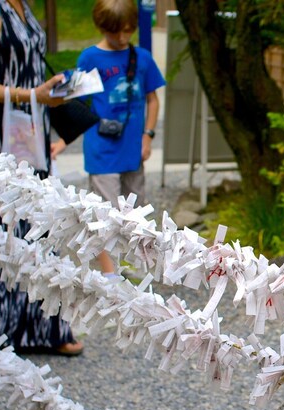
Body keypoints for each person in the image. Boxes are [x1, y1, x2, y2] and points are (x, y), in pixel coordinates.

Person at [0, 0, 83, 356]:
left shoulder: (21, 5)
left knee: (37, 226)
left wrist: (50, 91)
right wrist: (29, 95)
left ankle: (41, 327)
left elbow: (22, 68)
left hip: (27, 132)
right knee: (0, 231)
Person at [77, 0, 165, 274]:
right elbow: (77, 103)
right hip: (101, 147)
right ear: (103, 27)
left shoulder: (142, 58)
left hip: (132, 148)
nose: (122, 38)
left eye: (127, 31)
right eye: (116, 32)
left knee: (135, 210)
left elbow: (153, 100)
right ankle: (108, 273)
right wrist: (61, 139)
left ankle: (133, 266)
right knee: (106, 211)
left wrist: (147, 136)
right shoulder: (90, 58)